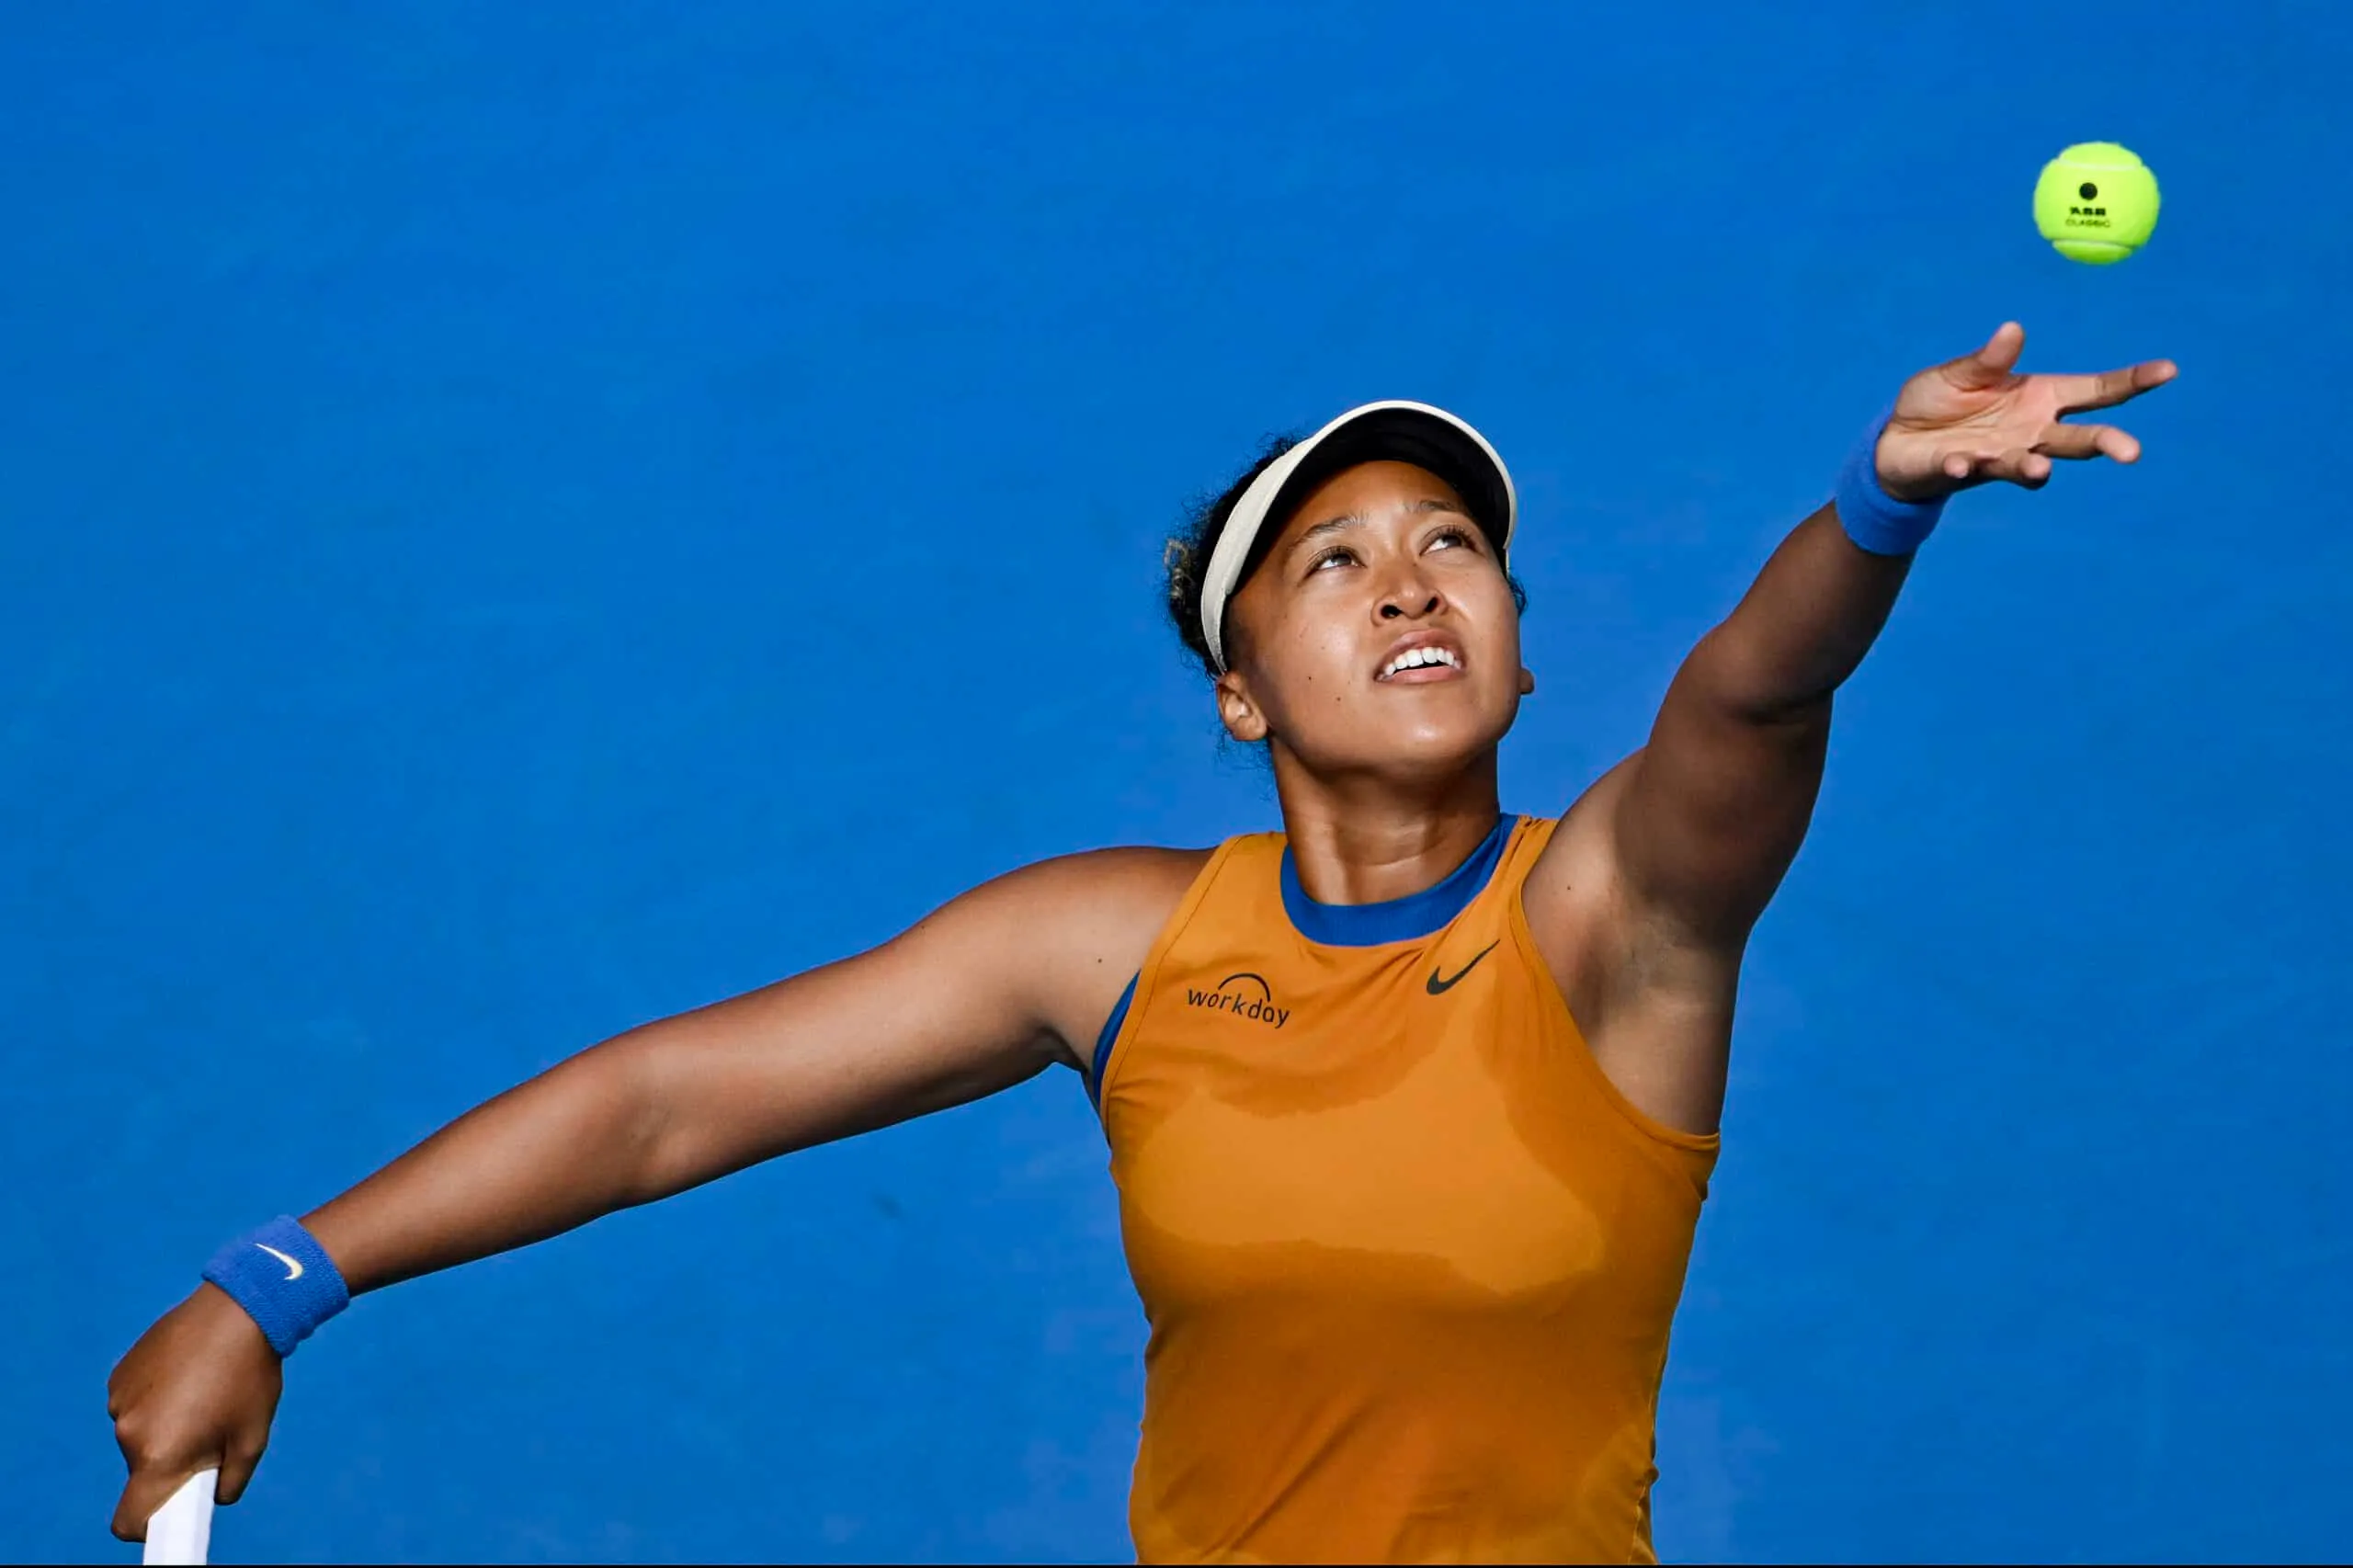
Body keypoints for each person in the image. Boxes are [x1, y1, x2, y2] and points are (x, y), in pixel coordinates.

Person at [108, 323, 2174, 1563]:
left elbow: (1744, 701)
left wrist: (1878, 501)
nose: (1408, 578)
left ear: (1528, 661)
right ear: (1240, 690)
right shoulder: (1112, 941)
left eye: (1454, 543)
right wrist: (279, 1281)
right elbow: (667, 1104)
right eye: (1332, 560)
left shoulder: (1614, 915)